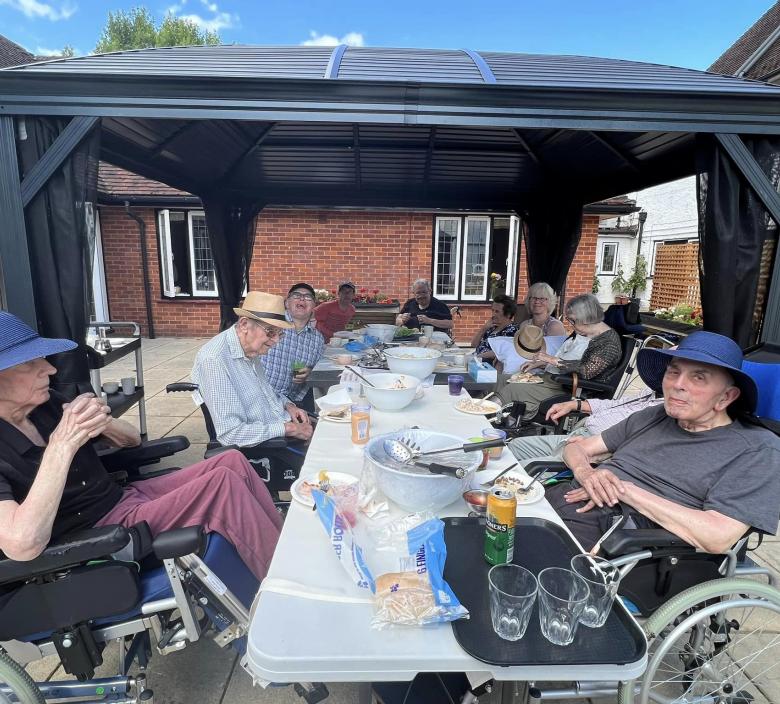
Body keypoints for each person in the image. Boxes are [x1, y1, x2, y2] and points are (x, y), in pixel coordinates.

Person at [0, 312, 282, 580]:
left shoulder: (46, 402)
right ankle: (283, 587)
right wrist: (62, 443)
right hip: (100, 533)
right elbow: (21, 544)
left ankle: (285, 550)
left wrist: (102, 421)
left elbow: (133, 439)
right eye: (29, 363)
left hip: (122, 495)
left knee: (231, 461)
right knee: (224, 486)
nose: (48, 368)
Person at [549, 331, 780, 554]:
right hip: (567, 498)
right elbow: (577, 447)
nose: (677, 385)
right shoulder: (655, 415)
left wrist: (624, 491)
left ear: (726, 397)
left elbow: (718, 536)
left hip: (625, 538)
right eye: (673, 372)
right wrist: (585, 473)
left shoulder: (758, 449)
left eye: (698, 377)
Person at [192, 291, 314, 449]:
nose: (276, 340)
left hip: (278, 423)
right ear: (244, 325)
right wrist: (289, 428)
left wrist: (289, 406)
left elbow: (265, 392)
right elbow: (231, 434)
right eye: (270, 332)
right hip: (267, 445)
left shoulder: (249, 348)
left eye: (280, 334)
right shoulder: (214, 360)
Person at [497, 293, 622, 420]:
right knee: (501, 379)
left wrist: (551, 359)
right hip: (555, 379)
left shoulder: (608, 343)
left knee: (512, 389)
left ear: (586, 319)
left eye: (572, 320)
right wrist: (541, 363)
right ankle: (497, 419)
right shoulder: (583, 331)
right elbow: (571, 360)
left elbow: (586, 371)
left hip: (568, 388)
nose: (571, 324)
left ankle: (490, 421)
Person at [507, 389, 662, 463]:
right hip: (579, 433)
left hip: (596, 450)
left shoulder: (668, 413)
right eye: (672, 371)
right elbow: (615, 404)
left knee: (518, 470)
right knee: (513, 447)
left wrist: (595, 447)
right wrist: (574, 404)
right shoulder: (652, 392)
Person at [263, 283, 325, 413]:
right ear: (287, 303)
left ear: (314, 306)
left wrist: (309, 372)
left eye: (308, 297)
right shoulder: (270, 324)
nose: (302, 299)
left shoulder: (317, 339)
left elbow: (316, 369)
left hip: (291, 403)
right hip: (259, 397)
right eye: (297, 295)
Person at [470, 294, 519, 364]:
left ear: (508, 314)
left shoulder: (513, 330)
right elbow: (473, 345)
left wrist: (477, 357)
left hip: (489, 366)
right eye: (492, 310)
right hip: (477, 361)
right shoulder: (491, 327)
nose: (493, 314)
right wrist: (484, 328)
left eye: (497, 311)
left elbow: (501, 353)